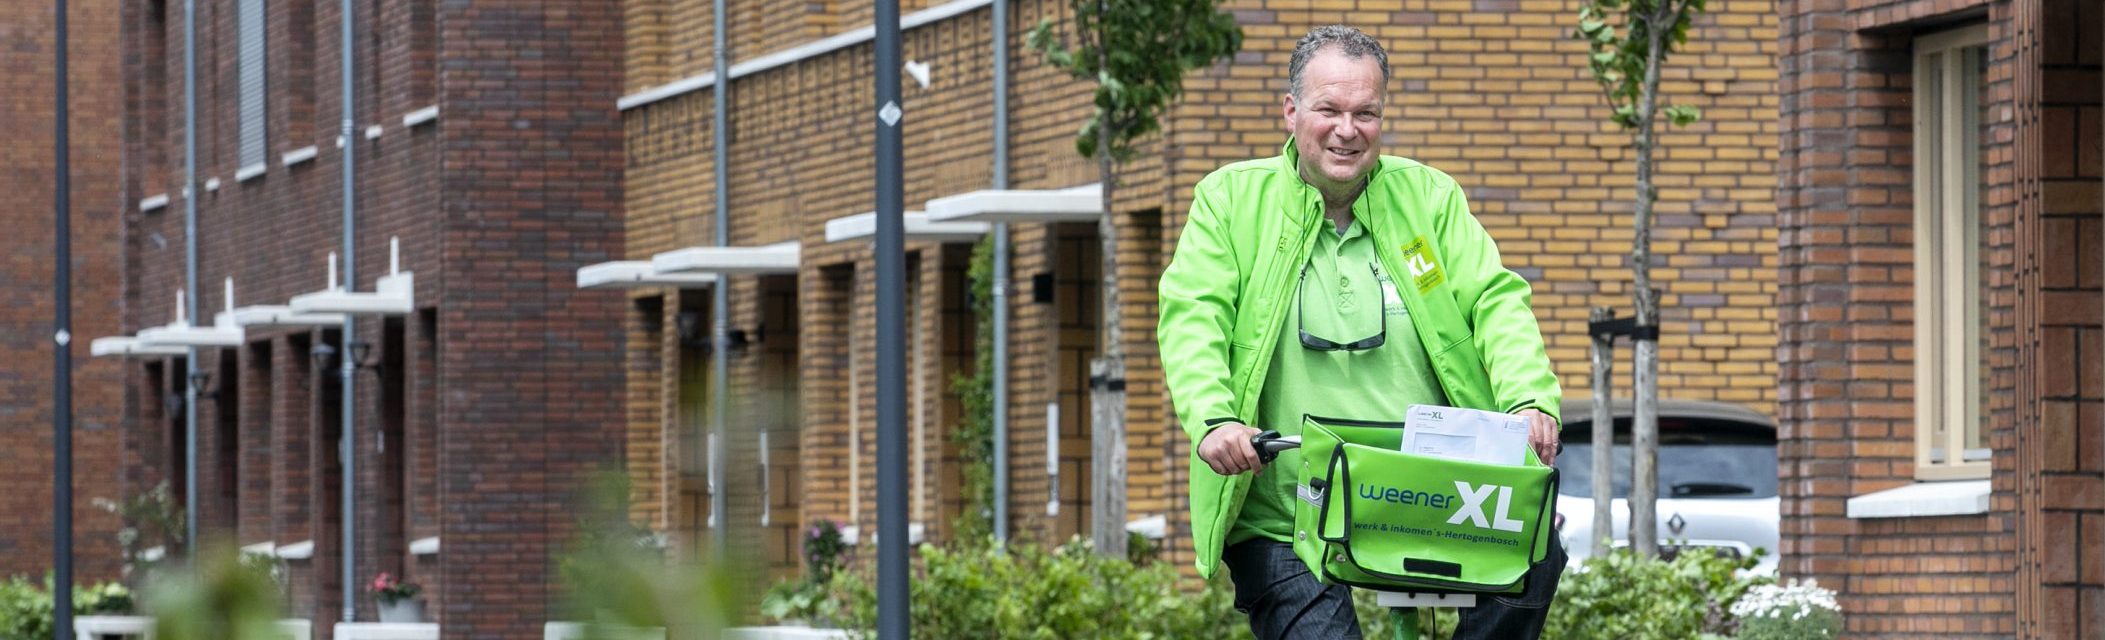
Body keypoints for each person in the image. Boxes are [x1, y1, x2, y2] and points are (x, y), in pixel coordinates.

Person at [1157, 25, 1567, 640]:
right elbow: (1195, 315)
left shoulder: (1428, 198)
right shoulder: (1230, 201)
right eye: (1329, 110)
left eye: (1365, 113)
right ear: (1291, 110)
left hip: (1429, 491)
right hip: (1289, 510)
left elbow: (1495, 301)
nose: (1347, 130)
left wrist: (1530, 399)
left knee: (1537, 554)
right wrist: (1214, 420)